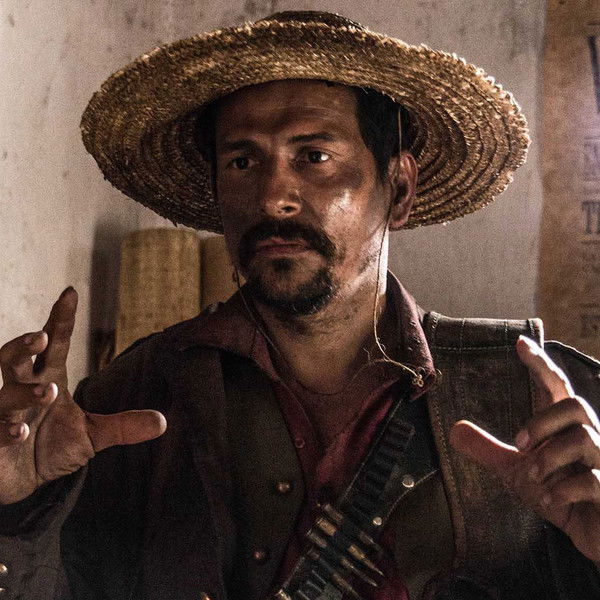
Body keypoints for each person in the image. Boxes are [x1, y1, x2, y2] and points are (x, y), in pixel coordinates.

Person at [1, 10, 600, 600]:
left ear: (398, 188)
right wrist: (17, 509)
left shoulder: (544, 399)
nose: (273, 197)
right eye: (242, 162)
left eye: (314, 156)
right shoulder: (130, 399)